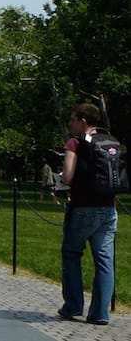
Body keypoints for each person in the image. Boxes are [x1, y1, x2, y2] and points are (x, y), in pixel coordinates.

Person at [57, 103, 117, 326]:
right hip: (109, 208)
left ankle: (73, 305)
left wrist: (62, 177)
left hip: (82, 207)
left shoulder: (76, 142)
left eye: (73, 119)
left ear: (83, 121)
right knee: (104, 260)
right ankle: (100, 313)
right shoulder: (109, 141)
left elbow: (68, 177)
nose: (70, 123)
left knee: (72, 254)